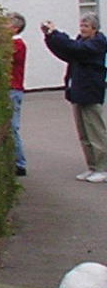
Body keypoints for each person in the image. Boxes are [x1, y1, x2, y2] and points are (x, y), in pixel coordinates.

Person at [42, 15, 107, 181]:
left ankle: (103, 168)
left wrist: (56, 33)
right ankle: (92, 167)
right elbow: (65, 51)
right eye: (81, 25)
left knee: (95, 132)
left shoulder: (97, 43)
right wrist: (50, 37)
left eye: (86, 26)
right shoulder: (80, 42)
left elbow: (74, 48)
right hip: (78, 91)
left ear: (94, 29)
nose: (82, 29)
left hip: (91, 92)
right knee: (84, 134)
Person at [8, 13, 28, 175]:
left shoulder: (18, 45)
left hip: (13, 89)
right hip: (11, 88)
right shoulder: (13, 44)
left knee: (12, 127)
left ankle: (19, 163)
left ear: (15, 28)